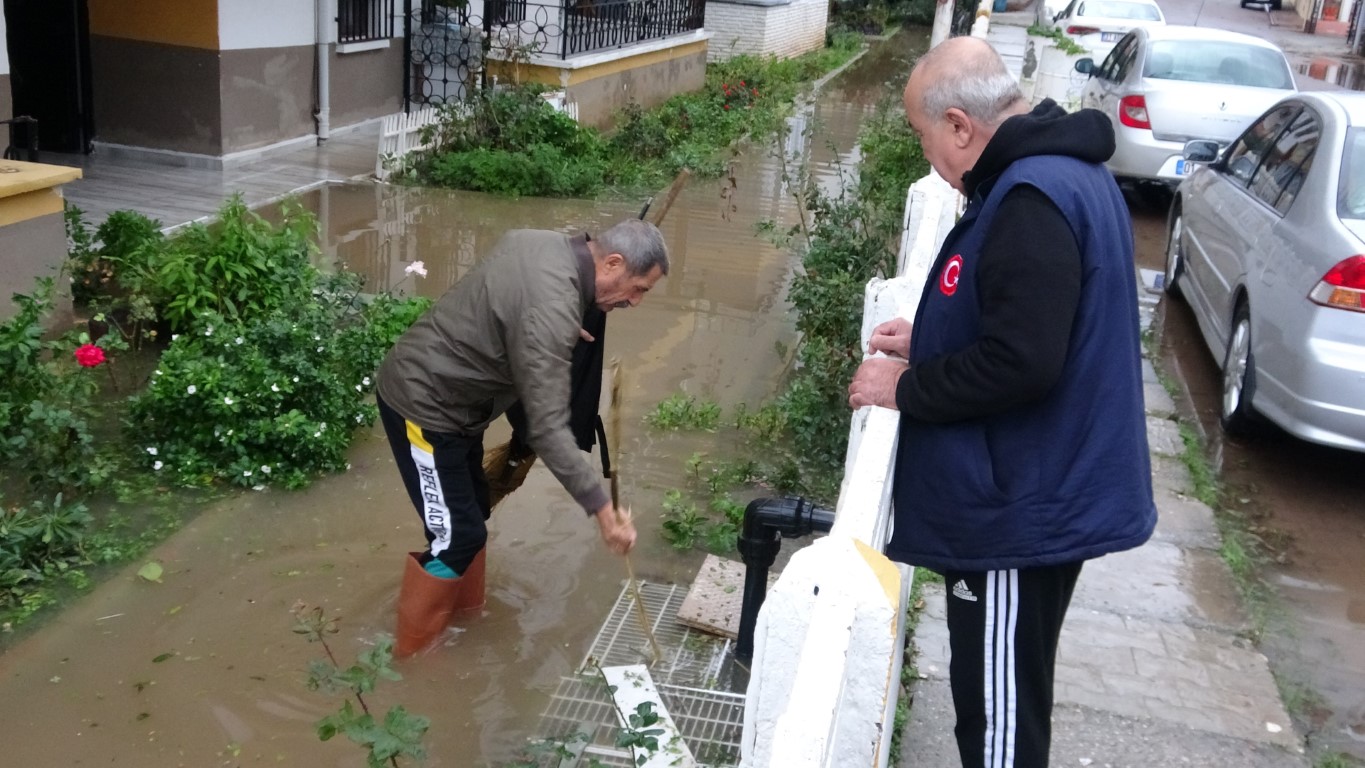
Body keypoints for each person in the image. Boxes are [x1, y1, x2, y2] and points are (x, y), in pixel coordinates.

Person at [847, 37, 1156, 768]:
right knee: (999, 701)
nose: (928, 158)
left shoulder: (1029, 198)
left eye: (924, 138)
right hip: (1032, 495)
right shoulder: (1059, 174)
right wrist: (935, 335)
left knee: (997, 723)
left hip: (1020, 513)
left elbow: (1021, 362)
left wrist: (905, 386)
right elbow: (1038, 315)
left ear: (959, 125)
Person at [376, 219, 669, 658]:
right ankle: (411, 659)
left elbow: (518, 300)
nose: (636, 301)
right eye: (639, 288)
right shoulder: (551, 311)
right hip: (425, 406)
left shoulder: (545, 243)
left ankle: (462, 623)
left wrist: (556, 325)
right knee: (457, 538)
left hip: (461, 405)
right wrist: (603, 510)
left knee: (470, 517)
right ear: (611, 261)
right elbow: (547, 428)